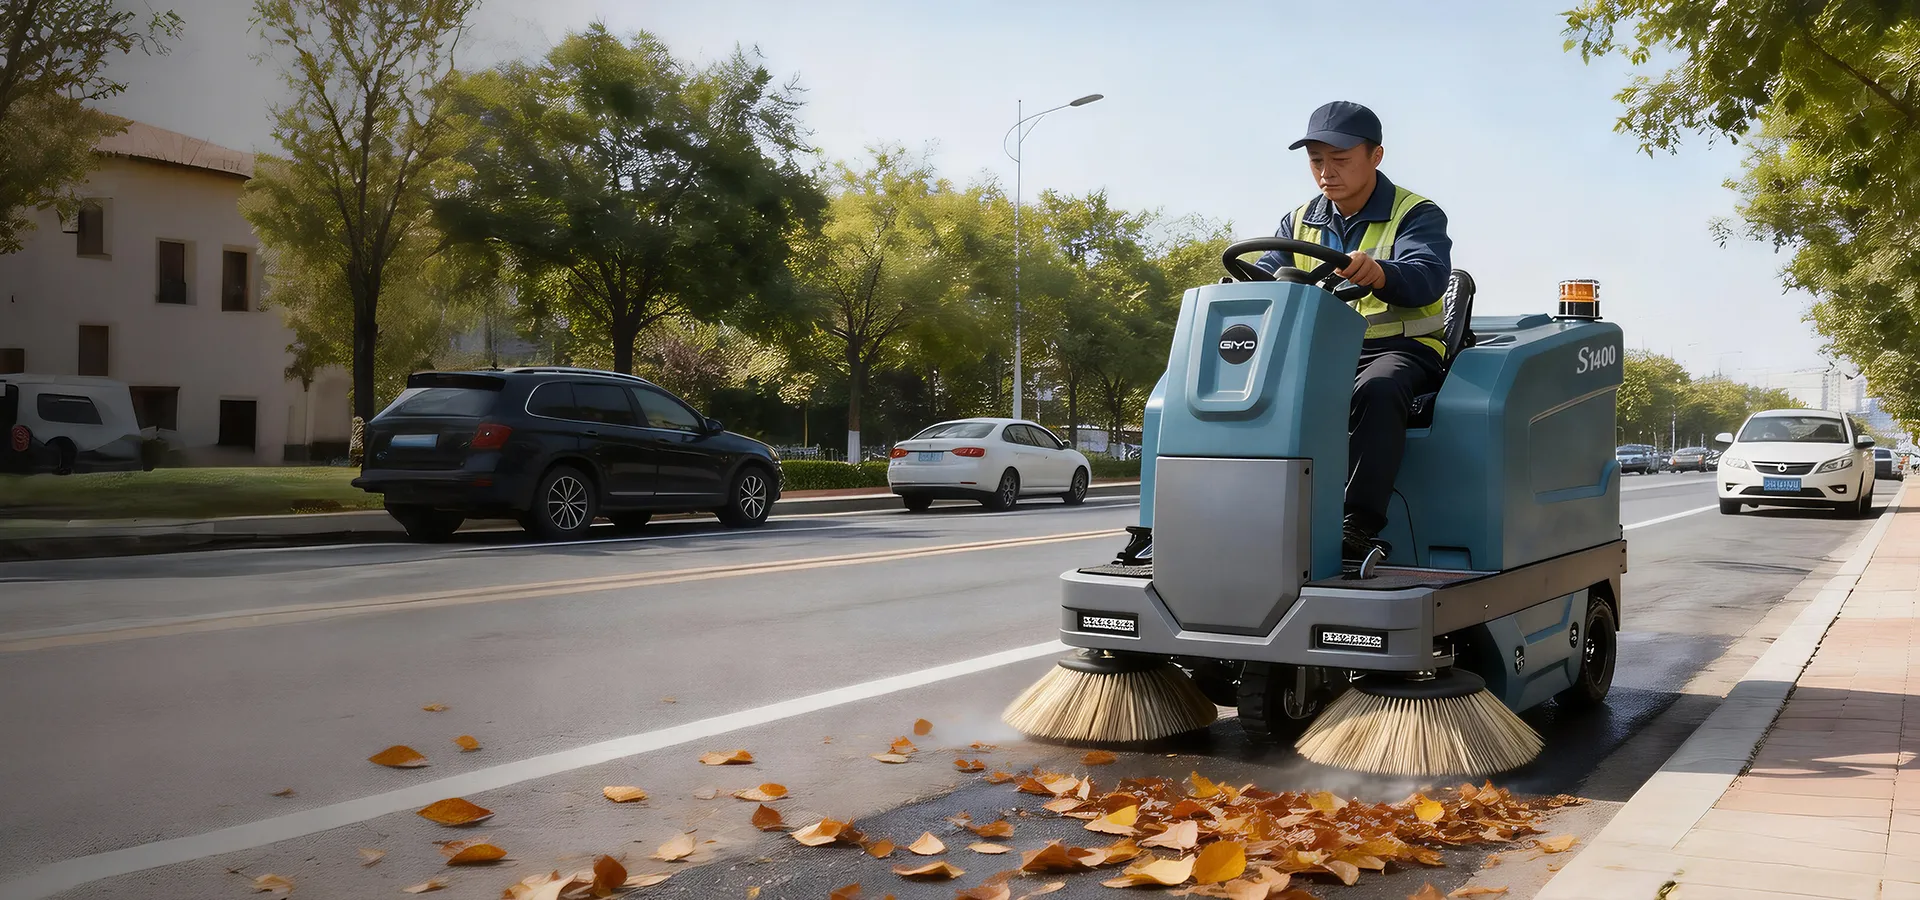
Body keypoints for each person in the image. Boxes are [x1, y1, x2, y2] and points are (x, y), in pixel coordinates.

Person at [1255, 100, 1454, 561]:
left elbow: (1427, 274)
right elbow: (1270, 271)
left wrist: (1381, 273)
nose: (1327, 172)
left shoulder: (1416, 214)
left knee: (1379, 389)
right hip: (1325, 352)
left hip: (1402, 349)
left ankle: (1357, 523)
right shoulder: (1299, 220)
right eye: (1317, 161)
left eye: (1340, 160)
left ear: (1376, 156)